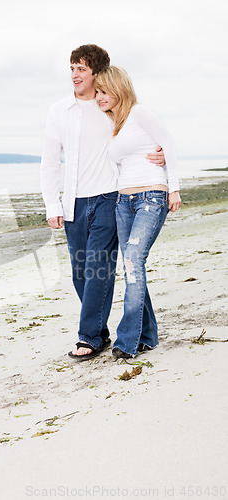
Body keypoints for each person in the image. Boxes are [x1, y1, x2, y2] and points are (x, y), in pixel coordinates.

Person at [40, 45, 166, 361]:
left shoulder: (111, 107)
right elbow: (50, 162)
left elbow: (144, 135)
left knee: (99, 269)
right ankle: (146, 332)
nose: (74, 75)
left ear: (97, 73)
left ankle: (90, 337)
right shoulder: (59, 111)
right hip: (73, 204)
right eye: (71, 68)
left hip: (111, 198)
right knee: (81, 274)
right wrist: (52, 205)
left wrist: (160, 153)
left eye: (81, 69)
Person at [94, 66, 181, 359]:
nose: (99, 97)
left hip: (151, 198)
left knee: (132, 261)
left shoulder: (140, 113)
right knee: (133, 268)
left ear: (118, 89)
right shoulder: (114, 125)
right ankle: (149, 336)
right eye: (97, 93)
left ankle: (126, 341)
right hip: (123, 202)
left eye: (103, 91)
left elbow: (168, 144)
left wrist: (174, 188)